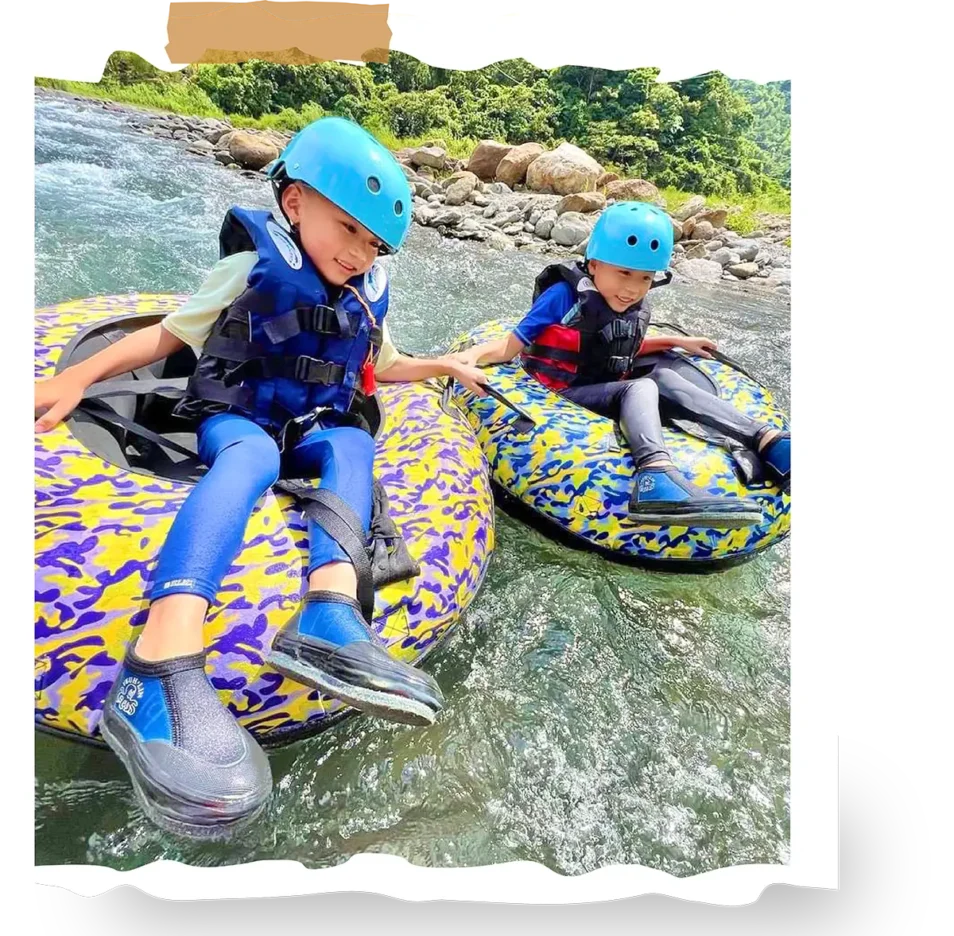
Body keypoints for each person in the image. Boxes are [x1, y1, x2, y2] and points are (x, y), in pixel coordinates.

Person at [33, 117, 486, 837]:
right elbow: (168, 335)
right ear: (296, 201)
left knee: (350, 444)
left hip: (308, 420)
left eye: (375, 243)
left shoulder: (365, 294)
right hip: (240, 413)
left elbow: (384, 366)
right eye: (349, 228)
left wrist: (446, 367)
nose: (360, 251)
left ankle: (328, 617)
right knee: (254, 460)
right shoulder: (251, 269)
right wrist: (77, 376)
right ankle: (158, 657)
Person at [455, 201, 790, 526]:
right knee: (642, 386)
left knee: (665, 379)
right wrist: (471, 356)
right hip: (565, 393)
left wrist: (676, 342)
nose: (632, 288)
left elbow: (618, 347)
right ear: (594, 264)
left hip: (609, 385)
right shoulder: (562, 297)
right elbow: (510, 346)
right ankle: (654, 477)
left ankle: (768, 441)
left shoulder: (627, 303)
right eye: (624, 273)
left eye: (645, 278)